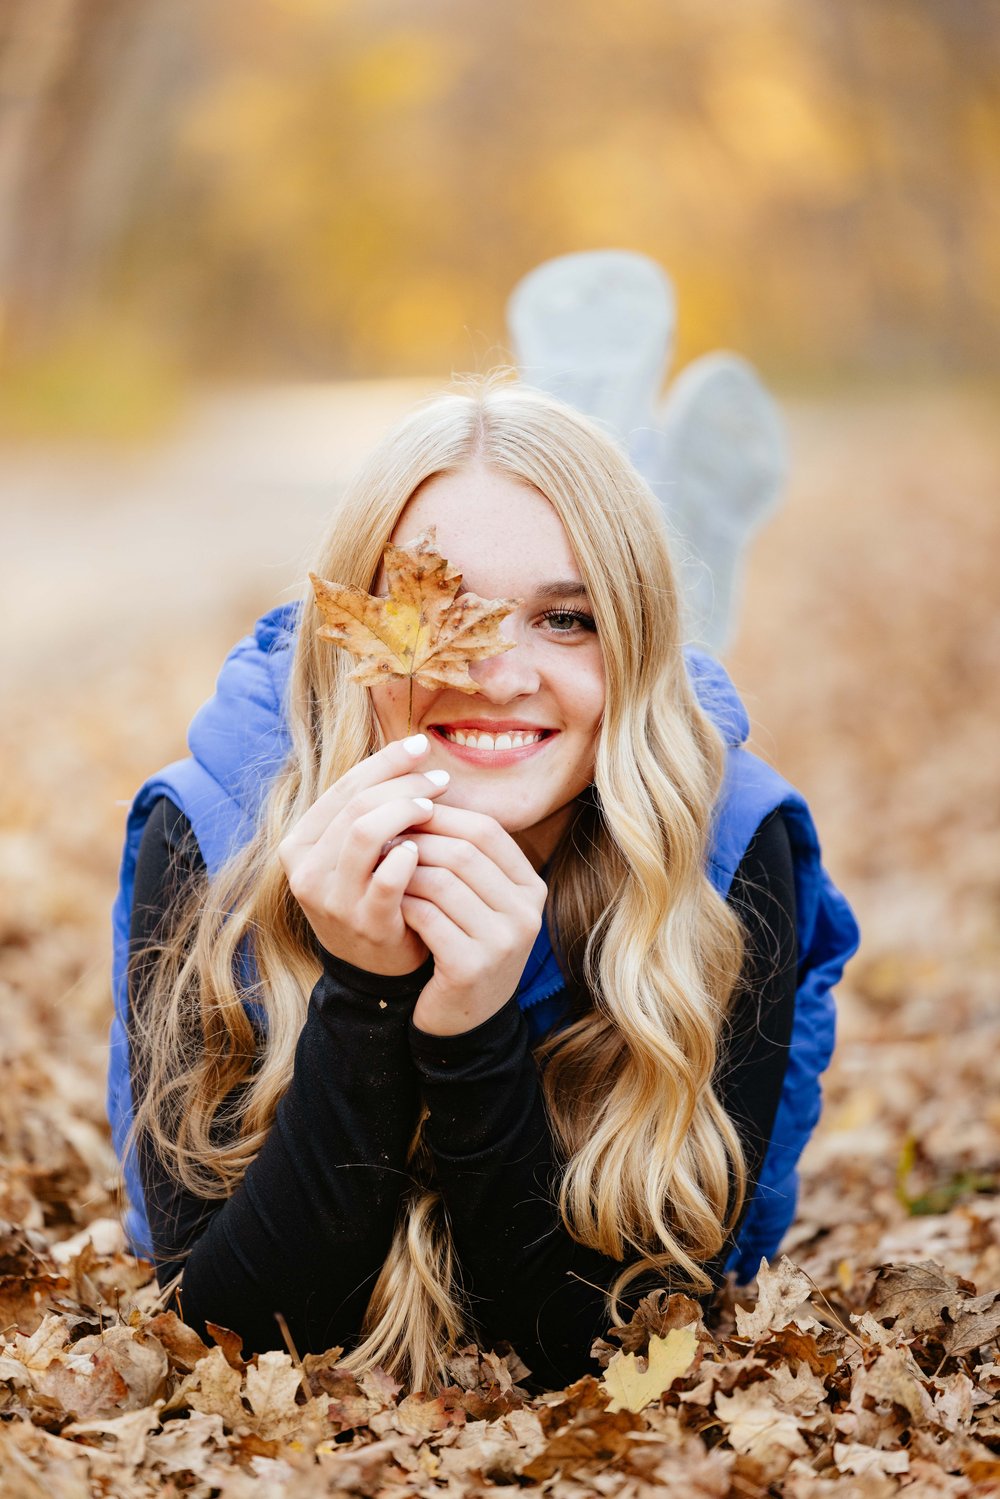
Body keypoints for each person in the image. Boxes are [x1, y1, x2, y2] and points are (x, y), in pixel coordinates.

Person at [109, 380, 860, 1395]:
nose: (498, 673)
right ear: (354, 634)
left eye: (566, 617)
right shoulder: (210, 829)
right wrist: (366, 994)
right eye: (443, 609)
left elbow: (612, 1351)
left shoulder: (727, 851)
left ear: (632, 646)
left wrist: (472, 1030)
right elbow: (229, 1330)